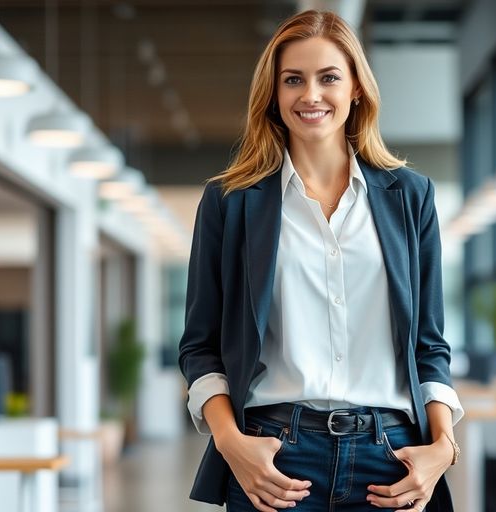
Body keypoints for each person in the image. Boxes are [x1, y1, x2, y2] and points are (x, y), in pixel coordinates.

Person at [178, 9, 463, 512]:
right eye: (293, 80)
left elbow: (429, 345)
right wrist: (230, 443)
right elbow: (201, 347)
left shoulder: (410, 196)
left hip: (391, 461)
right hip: (274, 461)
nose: (310, 95)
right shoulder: (230, 201)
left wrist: (442, 447)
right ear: (274, 94)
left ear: (356, 87)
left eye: (328, 77)